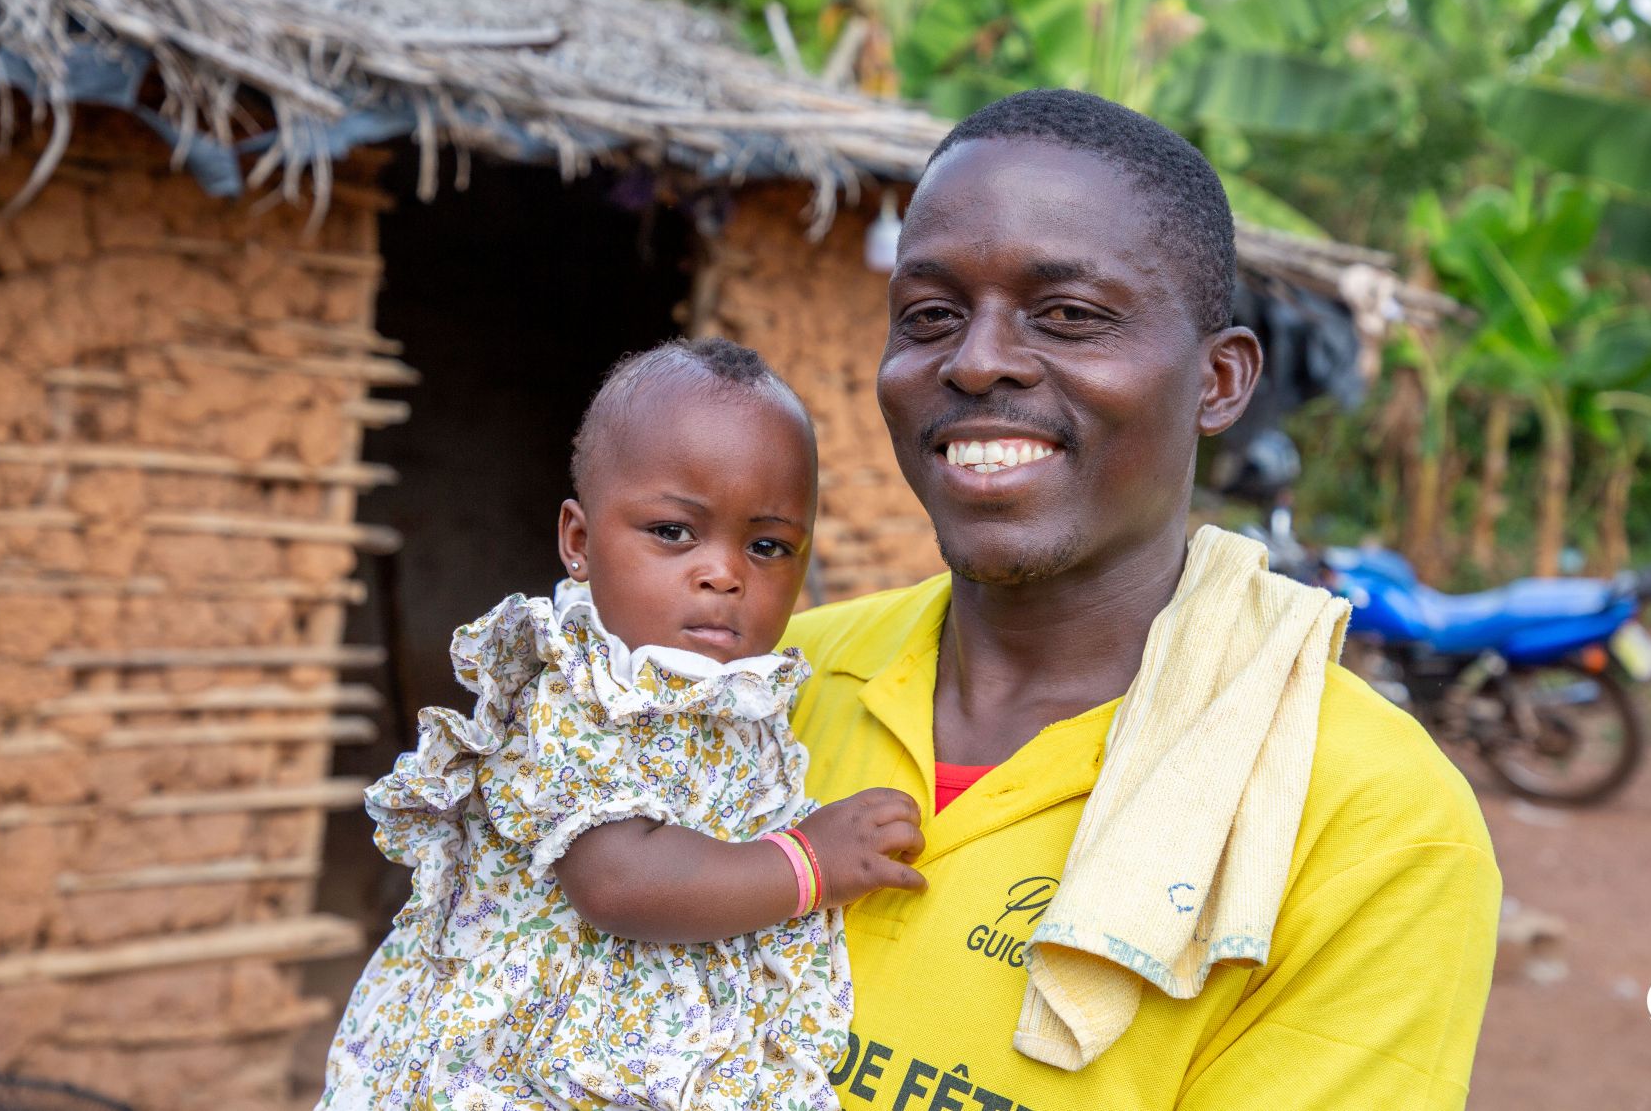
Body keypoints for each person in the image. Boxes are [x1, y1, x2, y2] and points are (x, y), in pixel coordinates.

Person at [782, 89, 1502, 1109]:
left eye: (1069, 315)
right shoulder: (774, 686)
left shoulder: (1366, 823)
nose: (976, 359)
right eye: (930, 316)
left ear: (1219, 381)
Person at [318, 338, 926, 1111]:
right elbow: (616, 878)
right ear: (577, 540)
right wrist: (808, 863)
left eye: (767, 546)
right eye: (674, 532)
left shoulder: (736, 695)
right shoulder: (573, 688)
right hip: (524, 1061)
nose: (723, 572)